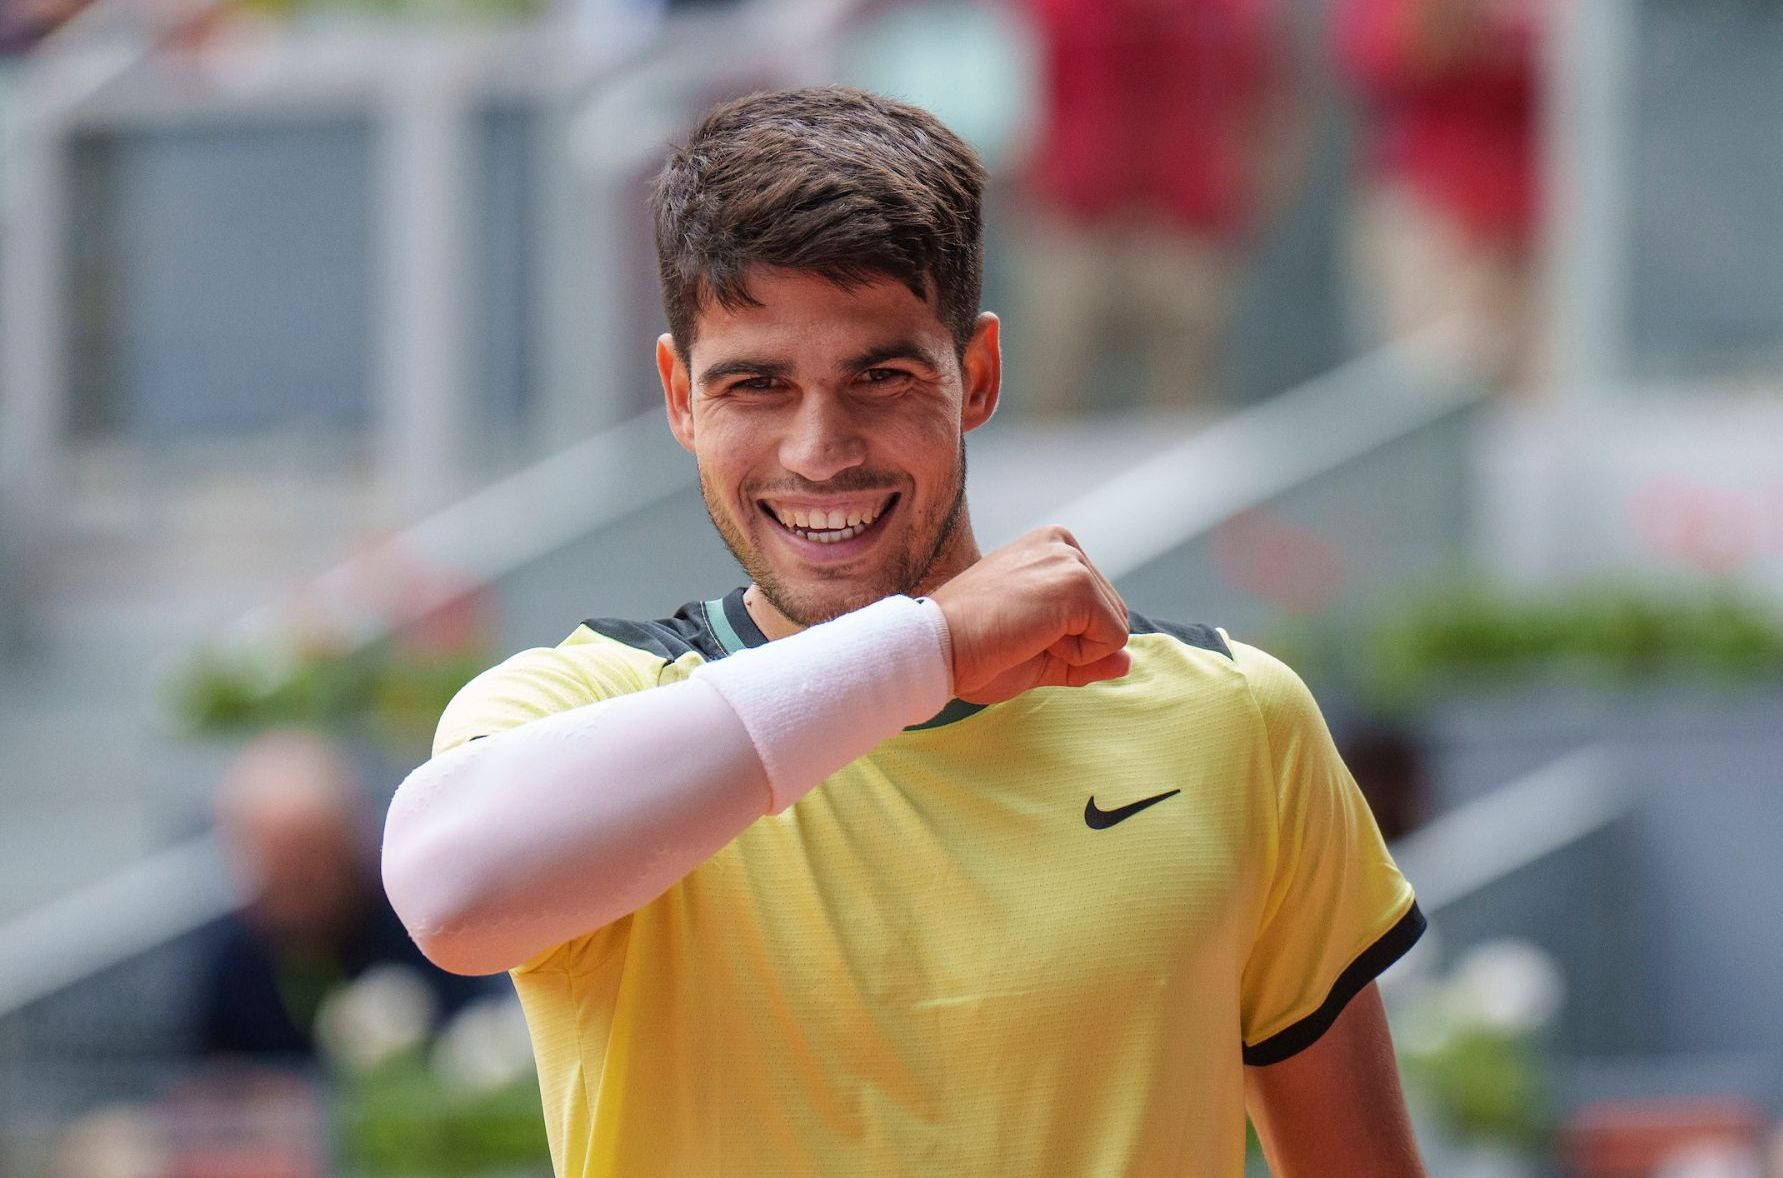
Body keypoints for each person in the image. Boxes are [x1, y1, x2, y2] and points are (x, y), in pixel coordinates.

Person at [382, 87, 1428, 1175]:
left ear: (976, 375)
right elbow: (447, 891)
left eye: (879, 376)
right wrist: (930, 648)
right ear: (679, 396)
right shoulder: (578, 705)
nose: (819, 450)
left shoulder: (1234, 717)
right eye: (755, 385)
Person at [1015, 0, 1295, 415]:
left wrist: (1243, 201)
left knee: (1188, 408)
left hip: (1188, 232)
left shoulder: (1231, 13)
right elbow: (1009, 92)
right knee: (1048, 396)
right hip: (1074, 228)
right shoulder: (1054, 10)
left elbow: (1268, 104)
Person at [197, 729, 491, 1059]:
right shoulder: (234, 962)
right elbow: (206, 1070)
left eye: (310, 866)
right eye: (278, 873)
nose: (297, 898)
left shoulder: (421, 928)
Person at [1337, 0, 1543, 390]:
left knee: (1537, 393)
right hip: (1443, 216)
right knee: (1441, 379)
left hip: (1544, 224)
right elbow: (1386, 51)